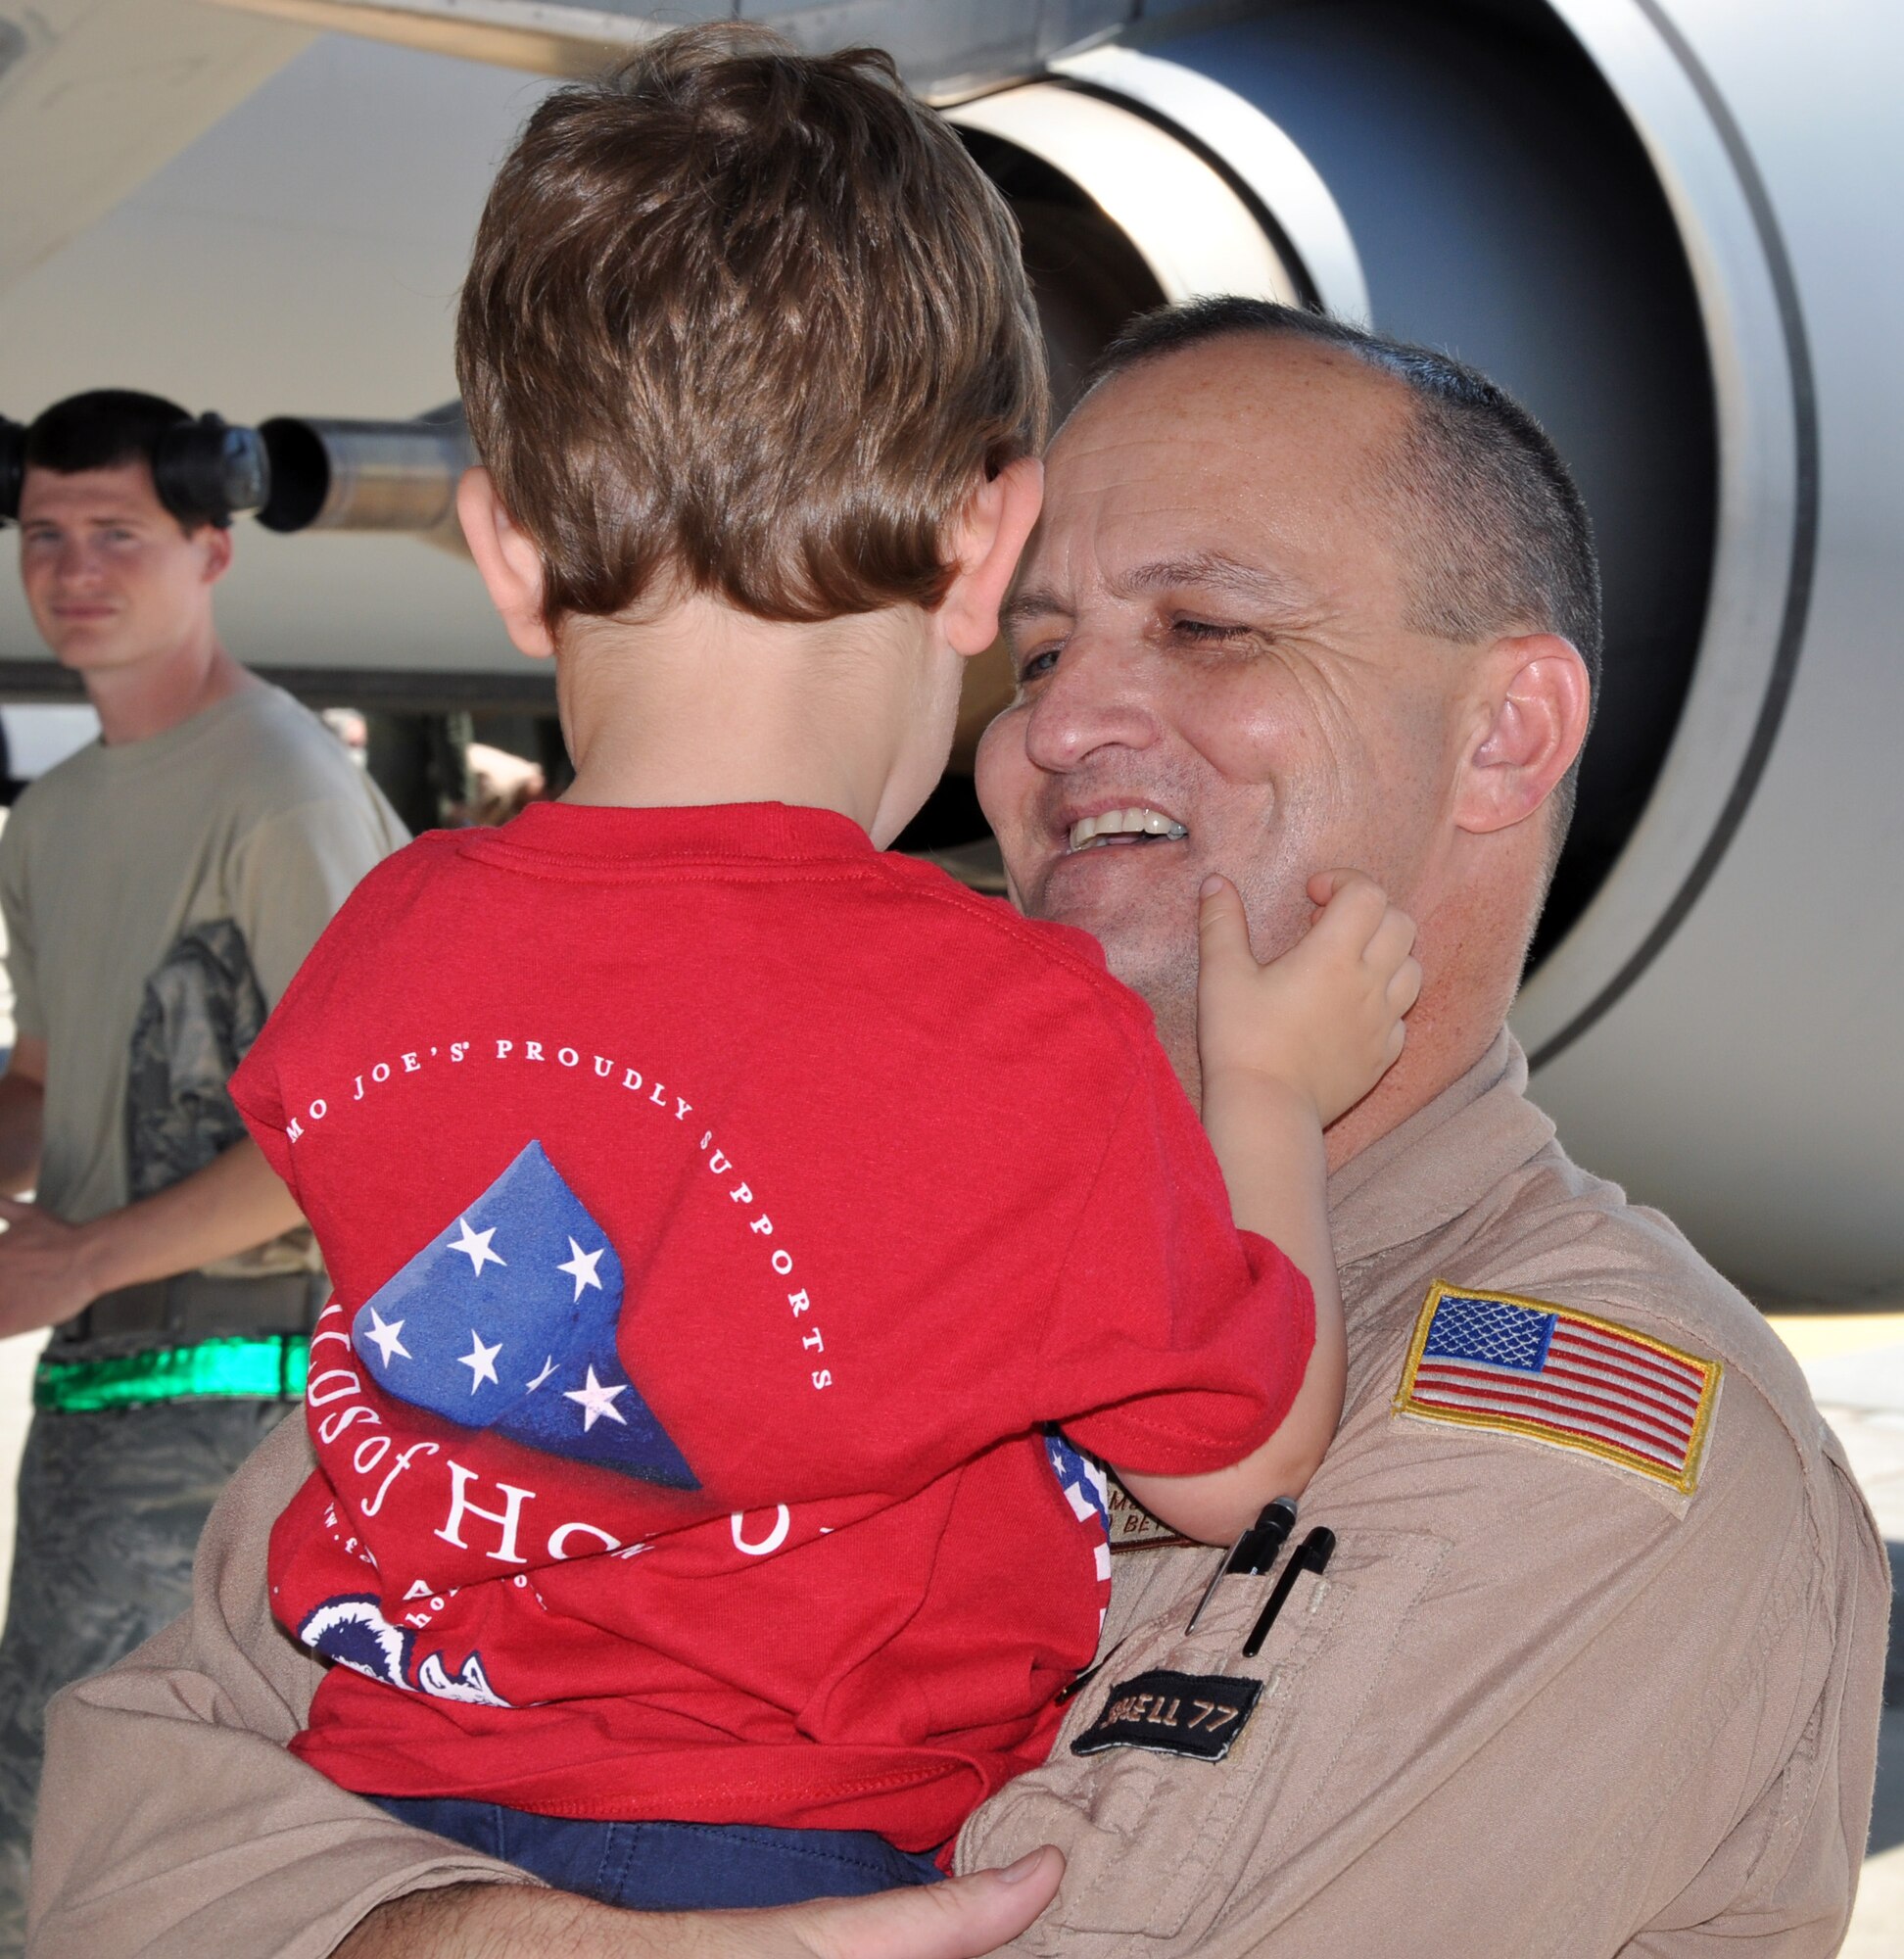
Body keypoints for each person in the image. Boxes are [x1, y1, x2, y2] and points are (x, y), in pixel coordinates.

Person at [25, 308, 1889, 1956]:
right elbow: (112, 1820)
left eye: (1210, 627)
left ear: (1508, 734)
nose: (1066, 722)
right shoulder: (754, 1175)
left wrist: (371, 1907)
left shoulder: (1591, 1453)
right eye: (1041, 643)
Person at [220, 29, 1418, 1914]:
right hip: (775, 1866)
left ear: (507, 558)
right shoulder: (1017, 1034)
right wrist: (1268, 1079)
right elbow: (1239, 1470)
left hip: (382, 1827)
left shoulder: (380, 951)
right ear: (982, 546)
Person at [0, 388, 405, 1946]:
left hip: (239, 1386)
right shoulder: (53, 816)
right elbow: (47, 1080)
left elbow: (357, 1133)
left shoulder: (282, 786)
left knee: (96, 1827)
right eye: (46, 534)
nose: (75, 568)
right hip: (99, 1389)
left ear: (212, 552)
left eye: (119, 534)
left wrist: (83, 1259)